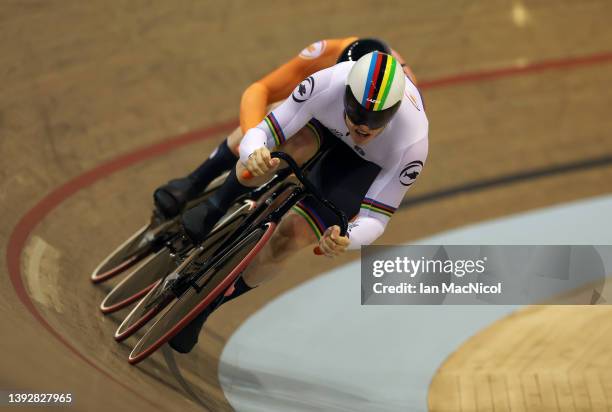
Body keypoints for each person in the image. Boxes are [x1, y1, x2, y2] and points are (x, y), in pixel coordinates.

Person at [168, 49, 429, 354]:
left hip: (361, 168)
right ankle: (213, 208)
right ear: (346, 94)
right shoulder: (326, 84)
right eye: (358, 115)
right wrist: (257, 152)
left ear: (395, 111)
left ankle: (206, 307)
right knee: (281, 152)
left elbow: (376, 218)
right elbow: (262, 133)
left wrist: (347, 237)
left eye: (376, 121)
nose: (364, 128)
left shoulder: (411, 144)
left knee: (291, 238)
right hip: (324, 125)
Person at [153, 37, 417, 219]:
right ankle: (196, 180)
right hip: (320, 115)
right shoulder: (326, 53)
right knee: (275, 118)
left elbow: (393, 167)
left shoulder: (404, 97)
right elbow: (260, 90)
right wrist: (254, 142)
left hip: (366, 140)